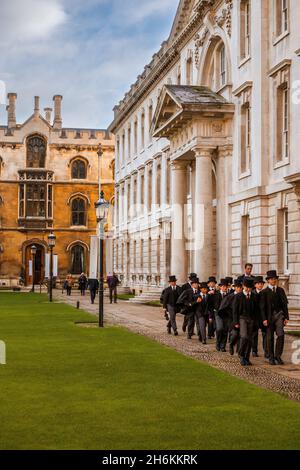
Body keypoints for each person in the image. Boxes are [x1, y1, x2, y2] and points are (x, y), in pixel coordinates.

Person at [260, 270, 289, 366]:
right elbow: (262, 307)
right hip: (269, 317)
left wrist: (286, 317)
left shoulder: (281, 290)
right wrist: (264, 319)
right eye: (272, 279)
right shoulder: (264, 292)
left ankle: (278, 356)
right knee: (270, 337)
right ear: (268, 280)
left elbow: (285, 305)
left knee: (280, 335)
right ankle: (271, 357)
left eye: (275, 279)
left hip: (279, 315)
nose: (274, 280)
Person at [232, 279, 256, 366]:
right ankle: (241, 354)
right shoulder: (238, 296)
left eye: (250, 288)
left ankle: (246, 357)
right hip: (242, 318)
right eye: (247, 287)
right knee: (244, 336)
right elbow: (234, 310)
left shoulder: (253, 296)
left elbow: (256, 310)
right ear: (243, 286)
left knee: (250, 340)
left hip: (251, 319)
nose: (248, 289)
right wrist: (235, 322)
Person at [214, 279, 231, 352]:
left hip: (226, 315)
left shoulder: (229, 295)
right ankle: (218, 342)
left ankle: (223, 346)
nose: (224, 288)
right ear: (220, 287)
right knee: (220, 328)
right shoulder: (216, 294)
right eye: (223, 286)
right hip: (218, 314)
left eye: (226, 286)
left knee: (225, 330)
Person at [252, 276, 266, 358]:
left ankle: (266, 351)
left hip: (263, 317)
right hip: (255, 317)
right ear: (255, 285)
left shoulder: (265, 293)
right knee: (254, 334)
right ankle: (254, 350)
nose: (260, 285)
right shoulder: (253, 293)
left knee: (265, 334)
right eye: (258, 284)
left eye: (261, 284)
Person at [228, 279, 243, 356]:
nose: (239, 289)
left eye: (240, 287)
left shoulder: (243, 296)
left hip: (241, 318)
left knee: (241, 335)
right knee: (235, 334)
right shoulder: (230, 296)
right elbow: (225, 307)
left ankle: (239, 351)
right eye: (238, 287)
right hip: (232, 319)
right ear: (235, 288)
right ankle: (231, 344)